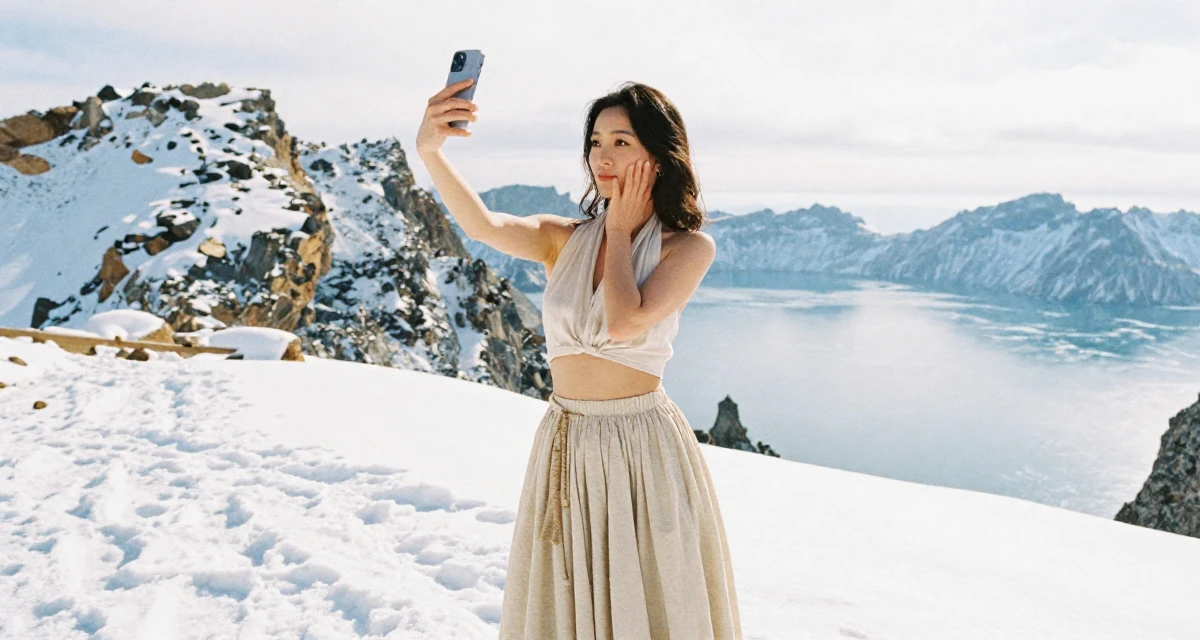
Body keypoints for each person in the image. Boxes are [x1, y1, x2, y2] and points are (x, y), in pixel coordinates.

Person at [417, 78, 742, 639]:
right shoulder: (561, 238)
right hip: (567, 440)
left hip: (642, 448)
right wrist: (430, 151)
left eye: (622, 142)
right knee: (568, 599)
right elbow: (482, 225)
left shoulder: (688, 247)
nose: (604, 157)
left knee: (649, 600)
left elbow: (624, 321)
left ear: (660, 157)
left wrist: (618, 231)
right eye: (596, 142)